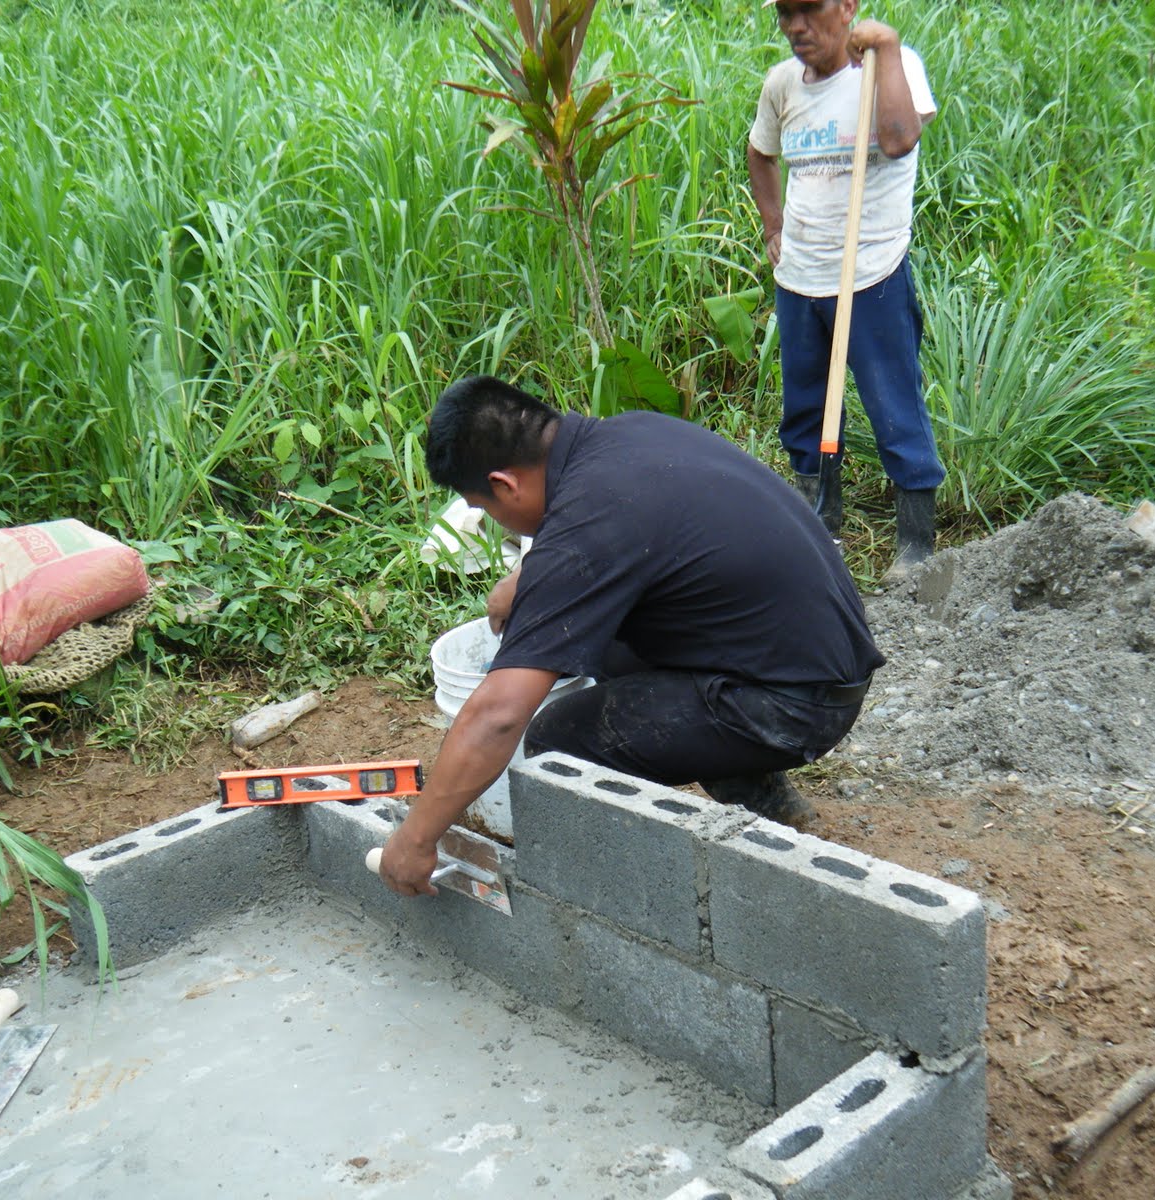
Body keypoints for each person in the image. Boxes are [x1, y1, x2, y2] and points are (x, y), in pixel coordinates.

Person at [374, 375, 883, 898]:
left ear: (505, 484)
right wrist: (531, 579)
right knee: (601, 643)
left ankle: (630, 894)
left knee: (560, 743)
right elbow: (646, 531)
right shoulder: (625, 438)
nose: (497, 521)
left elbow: (500, 714)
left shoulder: (590, 519)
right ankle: (755, 785)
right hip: (815, 657)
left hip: (796, 705)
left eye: (487, 509)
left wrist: (416, 837)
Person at [747, 0, 943, 576]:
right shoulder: (782, 83)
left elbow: (901, 139)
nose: (796, 27)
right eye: (786, 14)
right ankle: (819, 518)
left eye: (809, 11)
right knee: (804, 405)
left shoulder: (892, 64)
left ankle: (916, 543)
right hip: (801, 277)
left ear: (848, 8)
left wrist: (883, 49)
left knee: (893, 403)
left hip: (871, 272)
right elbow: (760, 154)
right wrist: (773, 224)